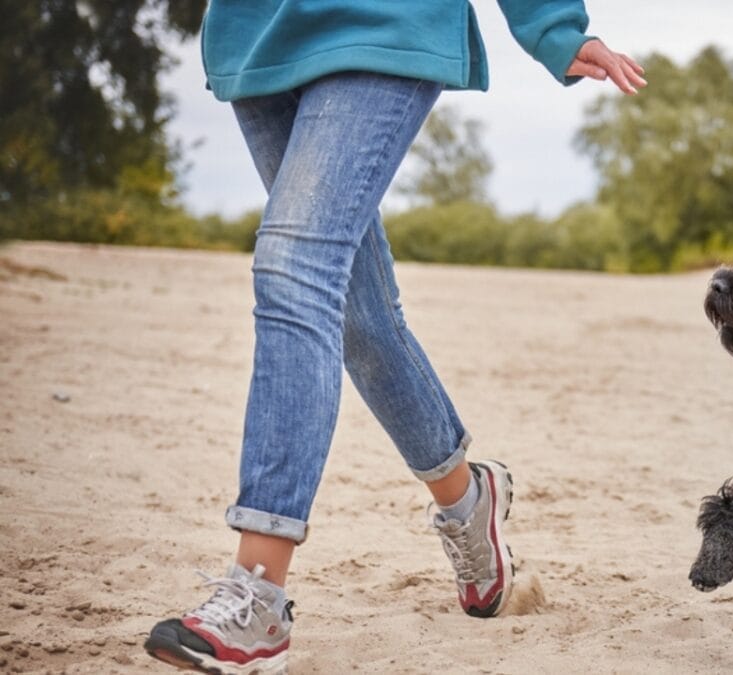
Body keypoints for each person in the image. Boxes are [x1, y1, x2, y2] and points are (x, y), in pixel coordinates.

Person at [142, 2, 645, 672]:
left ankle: (257, 596)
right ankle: (469, 500)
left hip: (386, 22)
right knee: (358, 315)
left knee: (294, 269)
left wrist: (551, 27)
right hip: (256, 31)